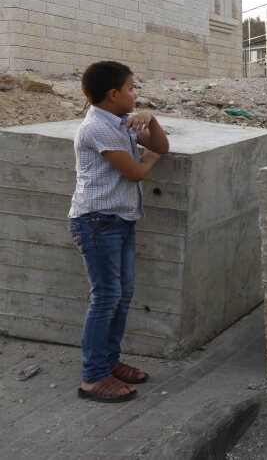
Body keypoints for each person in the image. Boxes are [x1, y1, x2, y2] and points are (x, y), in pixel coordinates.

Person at [69, 61, 169, 403]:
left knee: (122, 295)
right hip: (97, 221)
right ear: (113, 94)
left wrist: (151, 121)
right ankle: (93, 377)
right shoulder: (96, 128)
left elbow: (161, 146)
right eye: (131, 88)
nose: (135, 94)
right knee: (106, 297)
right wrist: (149, 160)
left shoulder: (122, 123)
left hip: (119, 220)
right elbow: (135, 173)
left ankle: (108, 363)